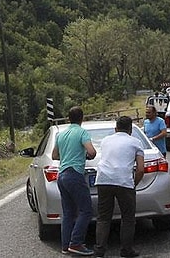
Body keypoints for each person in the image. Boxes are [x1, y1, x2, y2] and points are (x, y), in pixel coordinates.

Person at [93, 116, 145, 258]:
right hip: (124, 182)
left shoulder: (105, 140)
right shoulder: (136, 142)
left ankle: (99, 250)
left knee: (103, 217)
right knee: (128, 218)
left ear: (115, 128)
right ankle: (126, 250)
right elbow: (140, 169)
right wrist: (134, 184)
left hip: (103, 180)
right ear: (130, 130)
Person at [51, 106, 97, 256]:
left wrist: (68, 156)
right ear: (82, 118)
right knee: (86, 210)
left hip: (62, 175)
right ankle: (76, 242)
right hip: (75, 174)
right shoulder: (82, 132)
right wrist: (85, 156)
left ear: (68, 118)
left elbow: (54, 156)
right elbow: (91, 152)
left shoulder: (61, 134)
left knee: (68, 212)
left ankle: (65, 246)